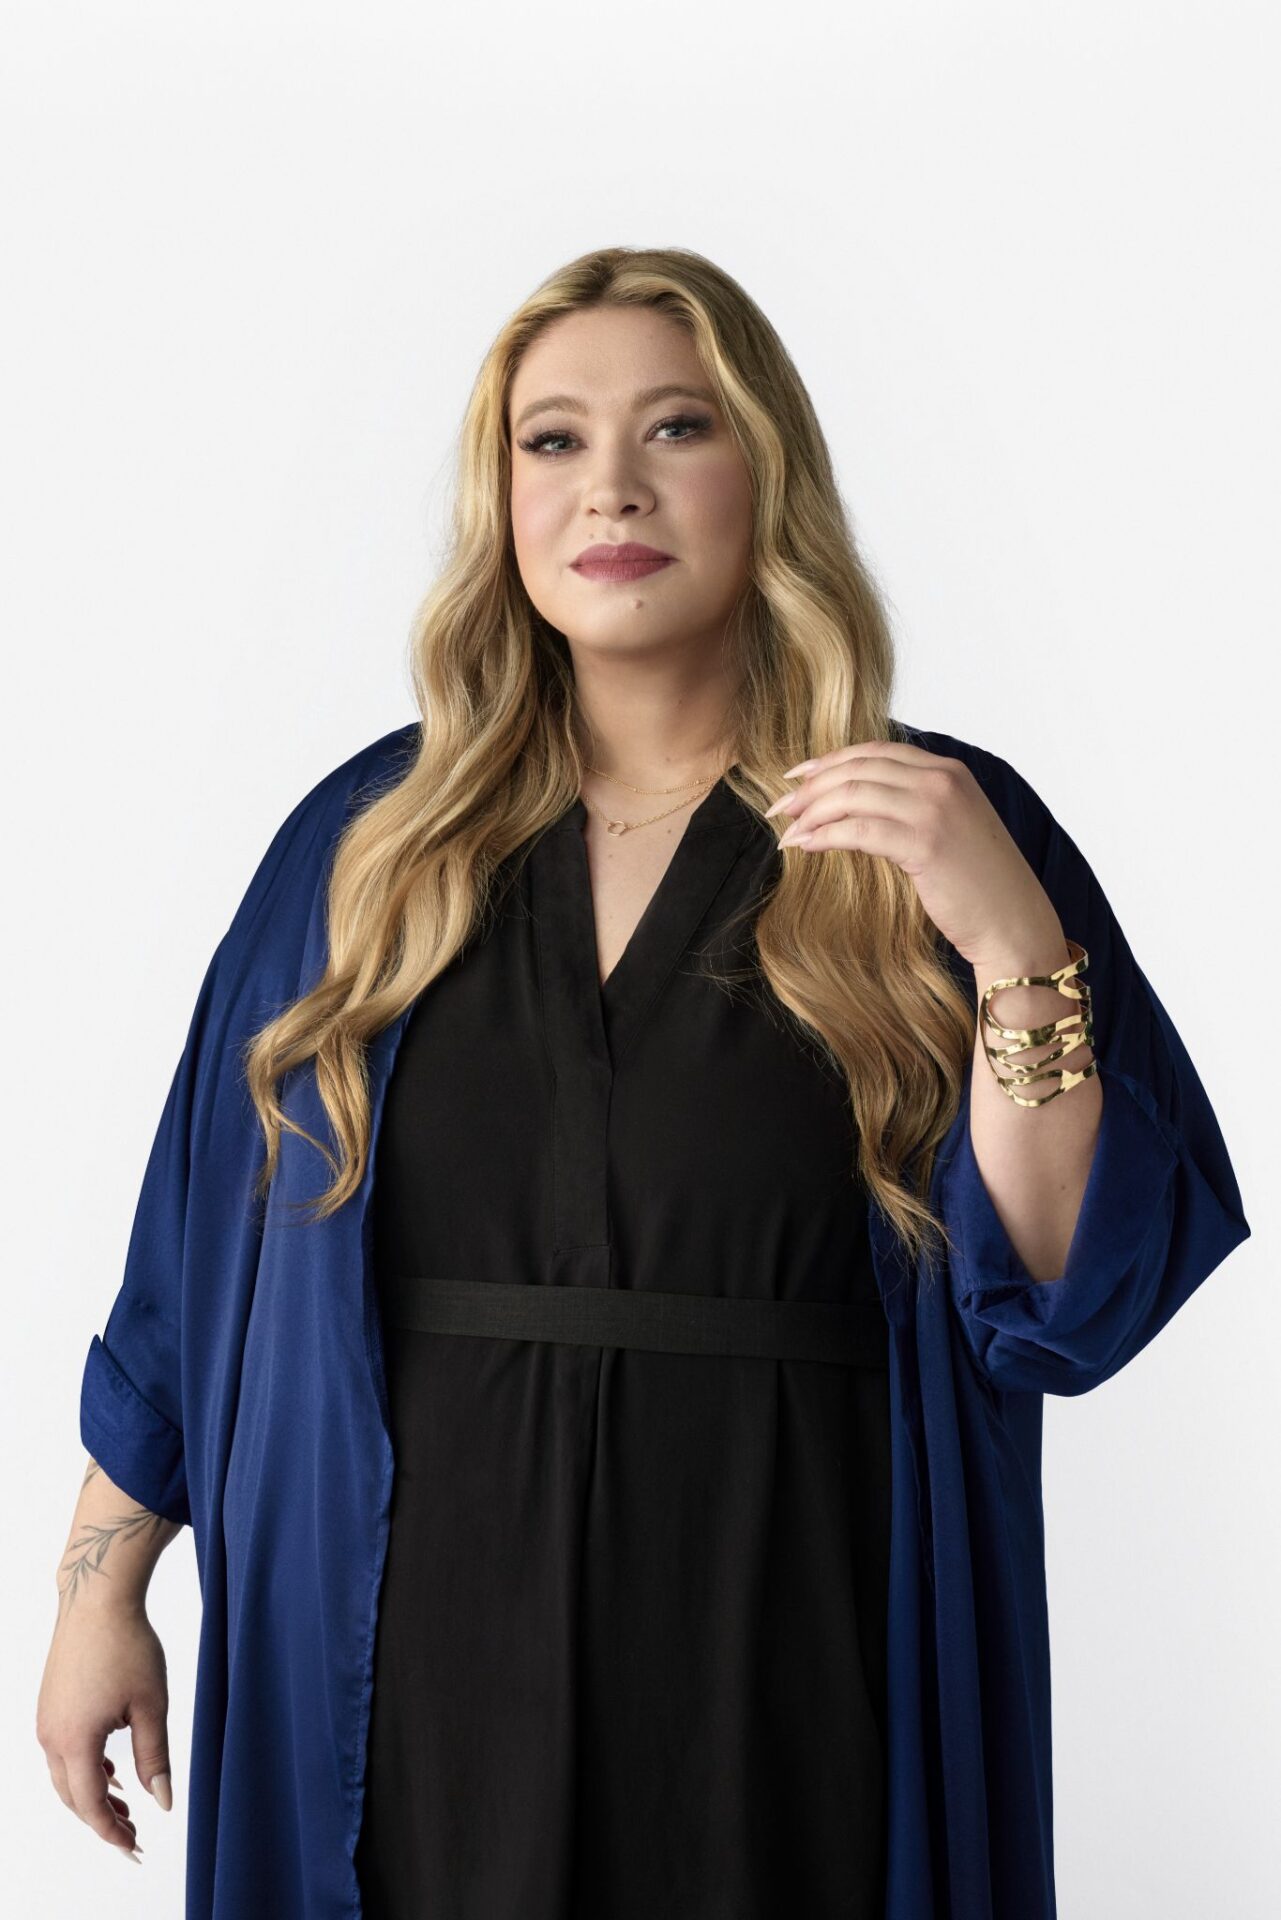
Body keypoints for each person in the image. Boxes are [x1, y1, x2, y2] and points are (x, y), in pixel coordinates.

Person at [37, 246, 1250, 1920]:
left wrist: (1008, 939)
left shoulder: (937, 831)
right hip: (400, 1656)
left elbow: (1059, 1295)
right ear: (502, 500)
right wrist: (98, 1593)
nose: (610, 483)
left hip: (791, 1644)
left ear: (769, 474)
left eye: (676, 427)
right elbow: (189, 1273)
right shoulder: (364, 850)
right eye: (552, 440)